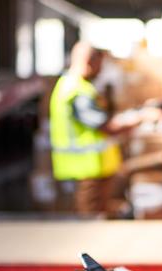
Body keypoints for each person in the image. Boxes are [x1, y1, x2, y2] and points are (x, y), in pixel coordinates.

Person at [49, 41, 139, 216]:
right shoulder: (77, 91)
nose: (101, 70)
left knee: (96, 219)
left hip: (90, 171)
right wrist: (139, 118)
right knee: (89, 222)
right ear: (88, 61)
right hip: (85, 173)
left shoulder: (75, 86)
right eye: (99, 64)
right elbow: (105, 126)